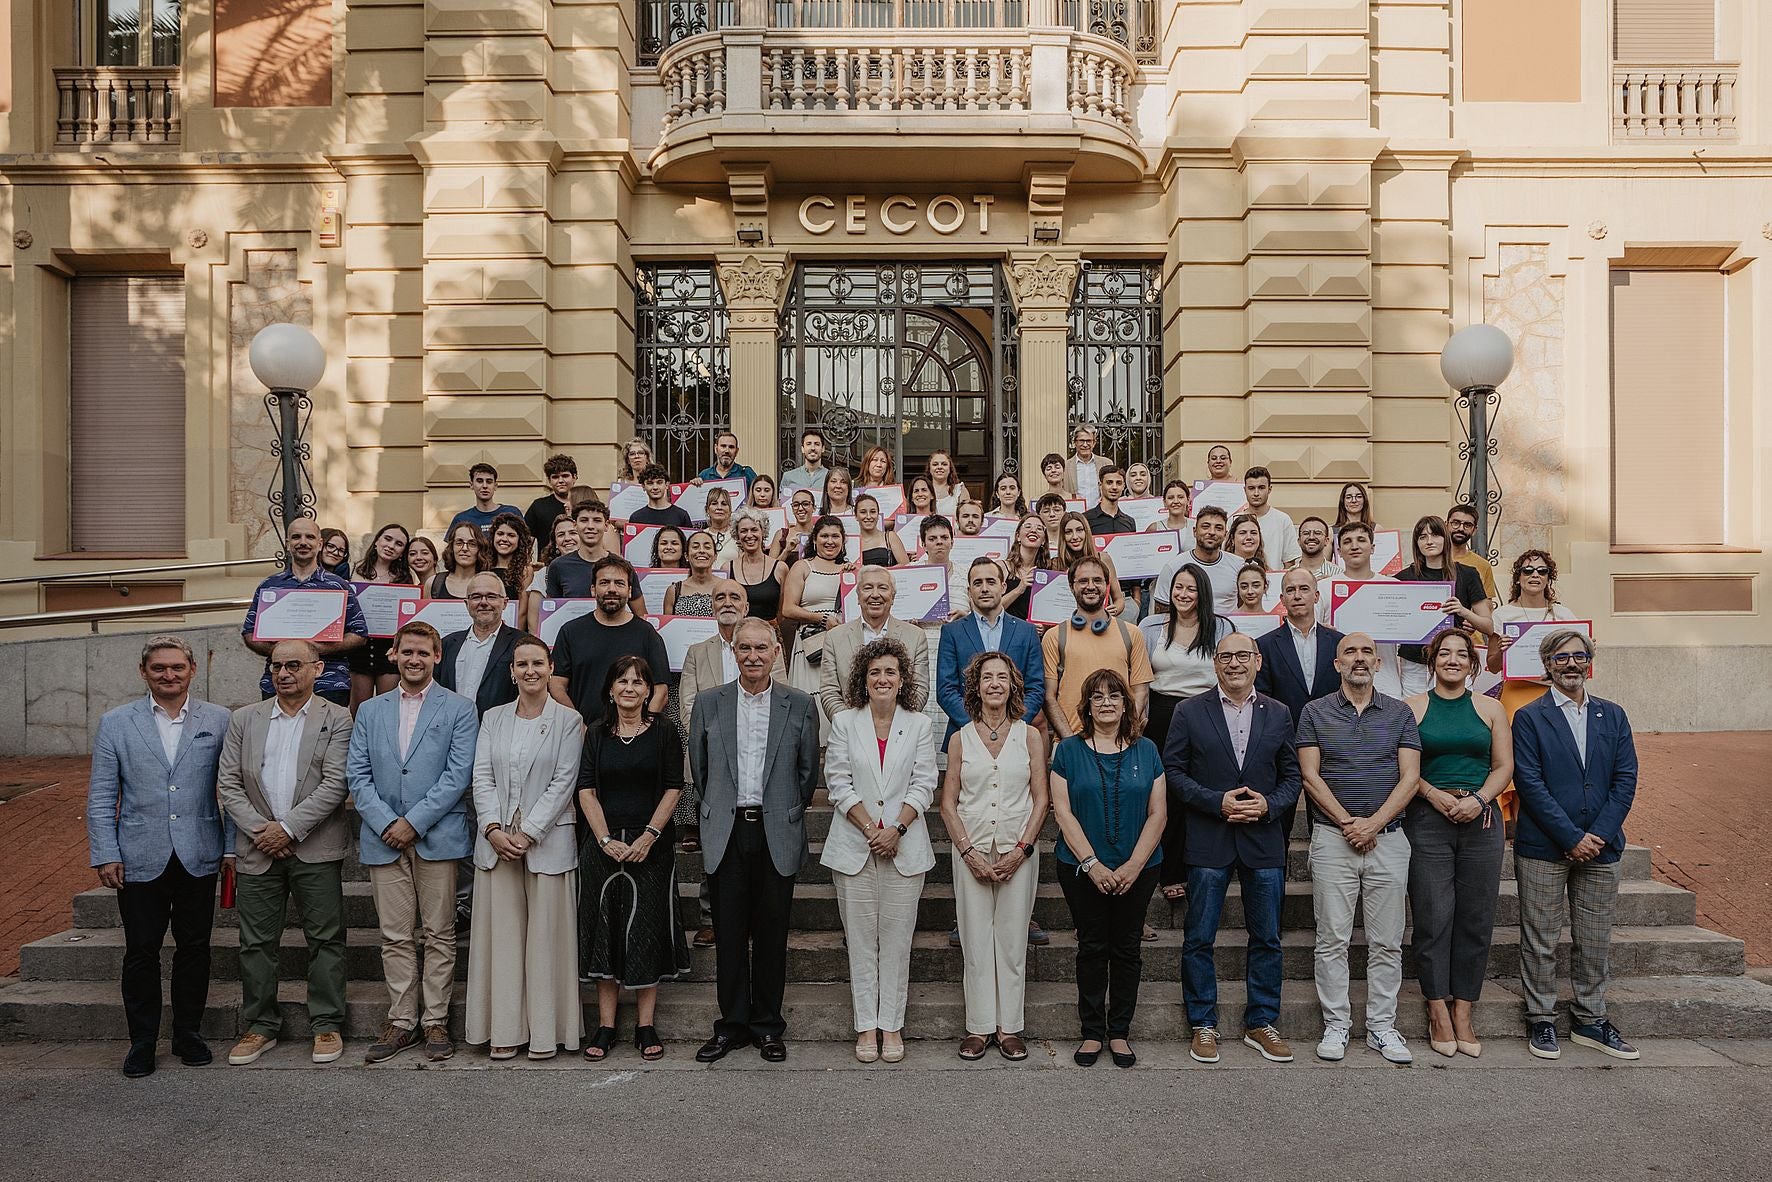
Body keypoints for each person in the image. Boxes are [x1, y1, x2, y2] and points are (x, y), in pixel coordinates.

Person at [87, 636, 233, 1078]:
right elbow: (101, 796)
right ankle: (143, 1042)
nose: (169, 675)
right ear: (143, 672)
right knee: (141, 951)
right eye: (159, 669)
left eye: (177, 667)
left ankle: (188, 1033)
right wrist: (105, 852)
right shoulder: (117, 723)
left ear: (192, 669)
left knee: (194, 948)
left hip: (200, 851)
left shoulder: (220, 720)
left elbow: (231, 789)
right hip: (138, 854)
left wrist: (229, 849)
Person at [1163, 632, 1301, 1065]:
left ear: (1258, 661)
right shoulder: (1188, 711)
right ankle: (1203, 1023)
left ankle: (1261, 1022)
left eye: (1243, 655)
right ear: (1215, 663)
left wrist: (1269, 806)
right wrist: (1215, 801)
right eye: (1226, 656)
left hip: (1263, 840)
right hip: (1209, 837)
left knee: (1267, 937)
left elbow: (1292, 777)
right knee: (1199, 936)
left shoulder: (1279, 713)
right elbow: (1174, 771)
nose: (1235, 663)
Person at [688, 618, 822, 1063]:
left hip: (775, 831)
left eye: (761, 648)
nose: (752, 656)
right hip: (726, 827)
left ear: (776, 653)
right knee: (727, 935)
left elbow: (807, 775)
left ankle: (767, 1025)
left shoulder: (800, 704)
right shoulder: (709, 703)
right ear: (735, 653)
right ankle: (730, 1027)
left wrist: (785, 811)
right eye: (744, 648)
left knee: (771, 933)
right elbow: (700, 768)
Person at [347, 620, 480, 1064]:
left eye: (424, 653)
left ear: (437, 657)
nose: (415, 659)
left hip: (437, 835)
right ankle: (402, 1020)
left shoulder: (460, 709)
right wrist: (389, 822)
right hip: (383, 835)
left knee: (440, 932)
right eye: (407, 652)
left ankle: (435, 1019)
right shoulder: (370, 710)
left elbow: (457, 775)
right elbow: (357, 775)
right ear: (394, 655)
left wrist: (414, 822)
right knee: (395, 935)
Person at [217, 639, 354, 1067]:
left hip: (314, 846)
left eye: (294, 665)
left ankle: (327, 1023)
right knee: (256, 943)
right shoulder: (245, 719)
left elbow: (336, 783)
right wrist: (264, 832)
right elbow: (228, 785)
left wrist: (289, 828)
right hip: (258, 848)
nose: (283, 673)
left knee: (326, 938)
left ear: (317, 669)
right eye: (275, 665)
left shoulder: (339, 717)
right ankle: (260, 1025)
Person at [1512, 630, 1641, 1062]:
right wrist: (1570, 837)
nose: (1571, 664)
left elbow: (1625, 781)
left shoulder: (1613, 716)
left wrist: (1597, 835)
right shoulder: (1530, 717)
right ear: (1547, 664)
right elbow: (1528, 782)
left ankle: (1590, 1019)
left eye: (1578, 656)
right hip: (1545, 847)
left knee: (1594, 938)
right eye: (1561, 657)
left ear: (1589, 662)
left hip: (1601, 848)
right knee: (1541, 937)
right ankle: (1542, 1020)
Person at [1297, 632, 1422, 1065]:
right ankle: (1337, 1023)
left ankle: (1381, 1027)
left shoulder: (1401, 713)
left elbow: (1409, 778)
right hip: (1334, 839)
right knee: (1331, 937)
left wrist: (1374, 823)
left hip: (1388, 839)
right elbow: (1311, 776)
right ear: (1336, 664)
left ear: (1378, 663)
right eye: (1350, 652)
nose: (1359, 658)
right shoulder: (1314, 712)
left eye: (1367, 651)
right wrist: (1349, 823)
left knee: (1387, 941)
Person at [460, 634, 586, 1061]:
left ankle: (547, 1032)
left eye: (537, 663)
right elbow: (481, 776)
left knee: (546, 940)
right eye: (521, 664)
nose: (530, 671)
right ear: (511, 672)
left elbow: (564, 781)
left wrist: (528, 832)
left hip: (547, 840)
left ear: (550, 668)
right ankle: (503, 1029)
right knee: (502, 939)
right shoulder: (492, 718)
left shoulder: (569, 720)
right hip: (496, 843)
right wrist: (493, 829)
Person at [823, 638, 939, 1063]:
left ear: (903, 678)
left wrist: (897, 829)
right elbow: (837, 782)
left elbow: (925, 783)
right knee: (860, 941)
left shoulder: (920, 725)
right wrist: (873, 829)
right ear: (863, 679)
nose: (883, 678)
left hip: (904, 848)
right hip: (855, 845)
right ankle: (865, 1027)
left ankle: (891, 1026)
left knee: (896, 942)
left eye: (891, 671)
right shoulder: (845, 723)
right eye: (875, 672)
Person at [1403, 629, 1513, 1059]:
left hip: (1482, 821)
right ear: (1432, 661)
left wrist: (1481, 799)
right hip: (1428, 819)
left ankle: (1464, 1007)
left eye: (1461, 654)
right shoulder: (1411, 709)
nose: (1453, 660)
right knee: (1432, 915)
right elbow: (1405, 768)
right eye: (1444, 653)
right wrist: (1436, 796)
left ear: (1472, 663)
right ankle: (1437, 1008)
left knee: (1476, 917)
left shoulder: (1490, 709)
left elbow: (1504, 765)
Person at [1049, 669, 1166, 1068]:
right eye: (1097, 697)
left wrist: (1134, 865)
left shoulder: (1147, 750)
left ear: (1126, 703)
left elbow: (1158, 812)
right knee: (1092, 946)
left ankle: (1120, 1032)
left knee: (1127, 948)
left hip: (1140, 867)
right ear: (1086, 705)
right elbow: (1062, 813)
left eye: (1114, 696)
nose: (1106, 703)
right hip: (1081, 867)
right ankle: (1091, 1032)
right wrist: (1093, 864)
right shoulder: (1067, 751)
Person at [577, 656, 691, 1061]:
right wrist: (605, 837)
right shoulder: (595, 734)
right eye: (621, 681)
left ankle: (645, 1025)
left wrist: (649, 835)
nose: (629, 688)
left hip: (651, 845)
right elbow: (586, 790)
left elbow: (674, 788)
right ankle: (606, 1027)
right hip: (603, 844)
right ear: (610, 689)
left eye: (638, 682)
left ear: (649, 691)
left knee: (646, 930)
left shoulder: (664, 732)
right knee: (606, 933)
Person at [940, 651, 1050, 1062]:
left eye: (1002, 677)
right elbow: (948, 802)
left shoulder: (1030, 736)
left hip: (1017, 848)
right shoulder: (960, 737)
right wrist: (967, 851)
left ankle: (1009, 1028)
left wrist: (1022, 849)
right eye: (987, 677)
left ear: (1013, 686)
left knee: (1010, 937)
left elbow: (1041, 798)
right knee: (974, 937)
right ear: (976, 686)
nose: (994, 684)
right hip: (970, 849)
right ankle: (979, 1026)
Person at [680, 578, 790, 945]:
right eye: (720, 597)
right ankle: (714, 917)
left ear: (746, 606)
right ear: (711, 606)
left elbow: (782, 705)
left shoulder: (767, 648)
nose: (727, 602)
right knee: (716, 842)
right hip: (715, 758)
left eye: (735, 597)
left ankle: (755, 916)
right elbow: (688, 707)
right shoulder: (698, 651)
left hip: (759, 757)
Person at [1140, 563, 1232, 907]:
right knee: (1168, 795)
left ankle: (1207, 863)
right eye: (1178, 587)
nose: (1183, 594)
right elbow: (1141, 677)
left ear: (1202, 593)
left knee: (1206, 788)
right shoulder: (1151, 626)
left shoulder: (1221, 627)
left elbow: (1229, 670)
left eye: (1191, 588)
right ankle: (1170, 869)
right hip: (1162, 716)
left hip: (1206, 714)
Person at [243, 518, 369, 708]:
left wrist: (321, 648)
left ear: (319, 544)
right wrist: (283, 652)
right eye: (296, 537)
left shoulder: (338, 586)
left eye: (309, 537)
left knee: (327, 738)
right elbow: (249, 632)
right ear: (288, 544)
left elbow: (359, 634)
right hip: (278, 681)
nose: (303, 542)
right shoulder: (270, 586)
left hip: (329, 682)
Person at [549, 555, 670, 726]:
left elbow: (661, 691)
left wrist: (643, 728)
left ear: (629, 591)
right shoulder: (571, 631)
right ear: (593, 589)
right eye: (604, 583)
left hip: (633, 736)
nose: (611, 589)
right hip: (582, 734)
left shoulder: (647, 633)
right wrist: (577, 725)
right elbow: (556, 685)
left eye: (619, 583)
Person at [938, 558, 1046, 742]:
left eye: (991, 581)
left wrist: (1012, 724)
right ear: (969, 591)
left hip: (1016, 735)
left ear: (1003, 587)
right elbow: (946, 689)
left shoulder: (1026, 631)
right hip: (966, 735)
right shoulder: (952, 632)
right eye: (977, 583)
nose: (984, 588)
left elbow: (1035, 688)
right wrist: (976, 725)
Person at [1042, 556, 1150, 738]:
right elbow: (1049, 697)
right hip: (1070, 741)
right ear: (1071, 586)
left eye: (1097, 580)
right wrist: (1070, 742)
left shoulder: (1131, 634)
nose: (1090, 586)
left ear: (1107, 585)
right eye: (1083, 581)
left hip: (1119, 742)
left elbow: (1141, 690)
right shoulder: (1054, 636)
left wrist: (1124, 731)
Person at [1395, 515, 1494, 695]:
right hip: (1414, 664)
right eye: (1422, 536)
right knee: (1415, 716)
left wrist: (1463, 611)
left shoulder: (1468, 574)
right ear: (1416, 543)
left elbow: (1488, 626)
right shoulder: (1403, 578)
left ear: (1445, 538)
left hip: (1454, 661)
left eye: (1435, 535)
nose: (1429, 541)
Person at [819, 565, 929, 722]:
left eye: (883, 588)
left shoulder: (916, 636)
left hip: (900, 731)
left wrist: (891, 723)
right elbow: (829, 692)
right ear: (857, 596)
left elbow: (919, 690)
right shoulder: (834, 637)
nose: (875, 595)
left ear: (893, 596)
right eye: (868, 588)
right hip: (851, 732)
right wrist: (852, 724)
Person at [779, 515, 851, 730]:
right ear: (815, 539)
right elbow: (788, 609)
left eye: (835, 536)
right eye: (824, 536)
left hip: (842, 644)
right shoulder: (802, 567)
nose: (830, 541)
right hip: (810, 644)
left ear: (843, 540)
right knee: (811, 702)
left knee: (838, 698)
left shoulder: (849, 570)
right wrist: (822, 618)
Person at [1317, 521, 1404, 696]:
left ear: (1372, 548)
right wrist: (1321, 632)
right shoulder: (1324, 587)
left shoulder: (1395, 587)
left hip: (1385, 683)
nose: (1354, 546)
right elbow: (1311, 634)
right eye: (1347, 541)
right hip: (1338, 686)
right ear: (1339, 552)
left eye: (1361, 540)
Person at [1254, 568, 1344, 728]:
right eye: (1290, 590)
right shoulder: (1264, 645)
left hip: (1332, 733)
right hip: (1285, 735)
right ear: (1282, 599)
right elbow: (1263, 699)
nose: (1297, 596)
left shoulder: (1338, 642)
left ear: (1316, 596)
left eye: (1304, 589)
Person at [438, 571, 521, 718]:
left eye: (491, 596)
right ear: (467, 603)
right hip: (451, 731)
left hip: (499, 732)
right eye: (476, 597)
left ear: (505, 603)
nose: (483, 602)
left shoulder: (520, 644)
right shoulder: (447, 644)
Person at [348, 523, 413, 706]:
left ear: (402, 552)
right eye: (388, 538)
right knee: (359, 708)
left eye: (399, 544)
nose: (391, 546)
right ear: (377, 541)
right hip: (359, 647)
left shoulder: (405, 579)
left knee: (387, 706)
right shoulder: (352, 570)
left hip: (388, 649)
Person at [1153, 505, 1238, 614]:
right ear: (1194, 531)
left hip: (1227, 630)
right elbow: (1162, 614)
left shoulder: (1238, 565)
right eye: (1205, 526)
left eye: (1218, 528)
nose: (1212, 532)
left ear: (1225, 535)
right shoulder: (1173, 567)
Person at [1057, 511, 1126, 616]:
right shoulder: (1056, 564)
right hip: (1068, 623)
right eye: (1068, 532)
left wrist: (1113, 609)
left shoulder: (1103, 559)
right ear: (1063, 536)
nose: (1075, 536)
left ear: (1087, 532)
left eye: (1079, 530)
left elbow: (1119, 599)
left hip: (1099, 624)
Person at [545, 499, 616, 599]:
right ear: (575, 525)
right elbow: (552, 609)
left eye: (597, 520)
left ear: (606, 525)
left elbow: (640, 613)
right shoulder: (558, 566)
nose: (590, 526)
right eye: (584, 520)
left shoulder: (621, 566)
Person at [523, 515, 578, 633]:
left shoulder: (598, 570)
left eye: (573, 533)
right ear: (556, 544)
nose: (567, 538)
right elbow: (533, 626)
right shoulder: (543, 575)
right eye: (561, 535)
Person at [731, 510, 788, 624]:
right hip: (738, 635)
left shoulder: (780, 568)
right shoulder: (727, 568)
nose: (749, 535)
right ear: (737, 535)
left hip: (770, 635)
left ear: (763, 532)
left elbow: (782, 612)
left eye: (754, 530)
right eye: (743, 531)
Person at [1241, 466, 1300, 568]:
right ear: (1244, 490)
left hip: (1274, 581)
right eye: (1251, 488)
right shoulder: (1233, 521)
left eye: (1261, 488)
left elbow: (1289, 562)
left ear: (1269, 489)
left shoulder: (1283, 520)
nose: (1256, 493)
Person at [1446, 502, 1499, 605]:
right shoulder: (1432, 559)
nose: (1461, 528)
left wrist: (1475, 619)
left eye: (1467, 525)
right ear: (1446, 524)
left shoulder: (1483, 565)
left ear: (1474, 530)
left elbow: (1487, 604)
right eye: (1455, 523)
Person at [448, 462, 524, 534]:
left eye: (489, 481)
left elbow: (525, 542)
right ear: (471, 485)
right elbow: (451, 546)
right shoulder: (461, 519)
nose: (485, 486)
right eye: (479, 481)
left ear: (495, 486)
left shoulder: (512, 513)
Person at [1002, 514, 1051, 620]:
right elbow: (989, 609)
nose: (1033, 530)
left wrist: (1043, 626)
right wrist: (1019, 589)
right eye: (1028, 526)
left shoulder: (1048, 573)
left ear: (1043, 541)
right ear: (1018, 536)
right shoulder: (1002, 567)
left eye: (1039, 528)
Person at [662, 529, 721, 615]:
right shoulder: (674, 591)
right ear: (686, 556)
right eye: (695, 547)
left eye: (707, 547)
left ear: (715, 556)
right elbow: (668, 627)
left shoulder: (726, 587)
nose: (701, 551)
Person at [524, 452, 579, 541]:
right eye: (555, 477)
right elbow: (526, 540)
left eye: (565, 476)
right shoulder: (539, 506)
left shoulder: (584, 504)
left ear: (574, 477)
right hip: (547, 555)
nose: (560, 480)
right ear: (549, 480)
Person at [433, 522, 491, 600]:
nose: (464, 548)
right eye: (459, 543)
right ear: (451, 547)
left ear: (479, 549)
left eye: (472, 544)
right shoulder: (434, 583)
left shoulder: (491, 584)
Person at [486, 513, 533, 601]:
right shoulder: (484, 566)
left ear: (520, 540)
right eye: (500, 534)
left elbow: (522, 610)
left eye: (511, 535)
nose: (504, 539)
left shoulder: (525, 570)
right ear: (493, 537)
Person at [629, 464, 691, 528]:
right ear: (643, 487)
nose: (655, 487)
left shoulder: (681, 515)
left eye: (659, 482)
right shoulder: (636, 517)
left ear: (667, 485)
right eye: (650, 483)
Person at [853, 493, 908, 567]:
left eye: (873, 512)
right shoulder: (853, 543)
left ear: (878, 515)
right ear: (856, 516)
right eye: (863, 512)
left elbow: (905, 565)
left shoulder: (890, 537)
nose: (868, 516)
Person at [1064, 426, 1112, 508]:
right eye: (1081, 441)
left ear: (1094, 443)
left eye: (1089, 441)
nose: (1085, 444)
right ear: (1075, 442)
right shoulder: (1065, 466)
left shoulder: (1106, 463)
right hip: (1076, 515)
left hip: (1101, 514)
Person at [1084, 465, 1135, 537]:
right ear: (1100, 485)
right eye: (1109, 482)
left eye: (1119, 483)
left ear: (1123, 486)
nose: (1114, 487)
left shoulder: (1130, 521)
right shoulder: (1086, 519)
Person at [779, 427, 830, 495]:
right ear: (802, 449)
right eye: (808, 444)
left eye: (817, 444)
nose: (813, 448)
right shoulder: (788, 477)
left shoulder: (831, 477)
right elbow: (783, 503)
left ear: (823, 448)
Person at [773, 487, 819, 563]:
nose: (800, 508)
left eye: (805, 504)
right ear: (792, 508)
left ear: (814, 508)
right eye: (796, 505)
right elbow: (770, 568)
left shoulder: (820, 534)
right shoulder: (782, 534)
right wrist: (786, 551)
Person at [1148, 479, 1195, 547]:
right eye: (1170, 498)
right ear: (1164, 502)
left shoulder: (1196, 526)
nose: (1176, 501)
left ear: (1188, 500)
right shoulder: (1154, 528)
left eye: (1180, 497)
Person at [1296, 516, 1342, 581]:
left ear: (1326, 541)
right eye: (1306, 533)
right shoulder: (1287, 574)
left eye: (1317, 533)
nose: (1311, 537)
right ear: (1299, 541)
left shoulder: (1339, 574)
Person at [926, 449, 970, 516]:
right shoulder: (922, 491)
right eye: (935, 464)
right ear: (929, 468)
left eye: (944, 464)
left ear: (950, 468)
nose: (939, 467)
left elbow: (966, 517)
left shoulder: (959, 490)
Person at [704, 486, 739, 565]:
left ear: (730, 510)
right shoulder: (701, 536)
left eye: (724, 504)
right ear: (707, 510)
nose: (719, 507)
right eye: (714, 503)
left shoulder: (738, 536)